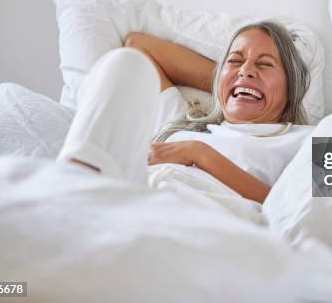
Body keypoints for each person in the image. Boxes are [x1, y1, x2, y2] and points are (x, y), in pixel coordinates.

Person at [56, 21, 314, 204]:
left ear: (292, 87)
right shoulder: (182, 124)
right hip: (130, 191)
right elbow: (138, 47)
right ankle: (73, 192)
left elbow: (313, 211)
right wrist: (232, 82)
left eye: (265, 64)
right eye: (234, 61)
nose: (245, 69)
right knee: (126, 63)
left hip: (203, 215)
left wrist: (199, 154)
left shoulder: (306, 138)